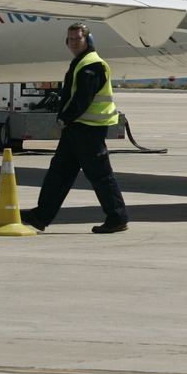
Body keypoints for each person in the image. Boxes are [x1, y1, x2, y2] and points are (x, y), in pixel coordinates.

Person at [23, 23, 131, 234]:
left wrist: (63, 119)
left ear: (88, 41)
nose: (73, 43)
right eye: (70, 39)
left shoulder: (91, 66)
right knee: (59, 172)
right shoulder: (80, 63)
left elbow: (82, 99)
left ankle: (117, 216)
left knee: (100, 175)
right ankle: (41, 215)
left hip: (88, 129)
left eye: (77, 39)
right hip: (77, 128)